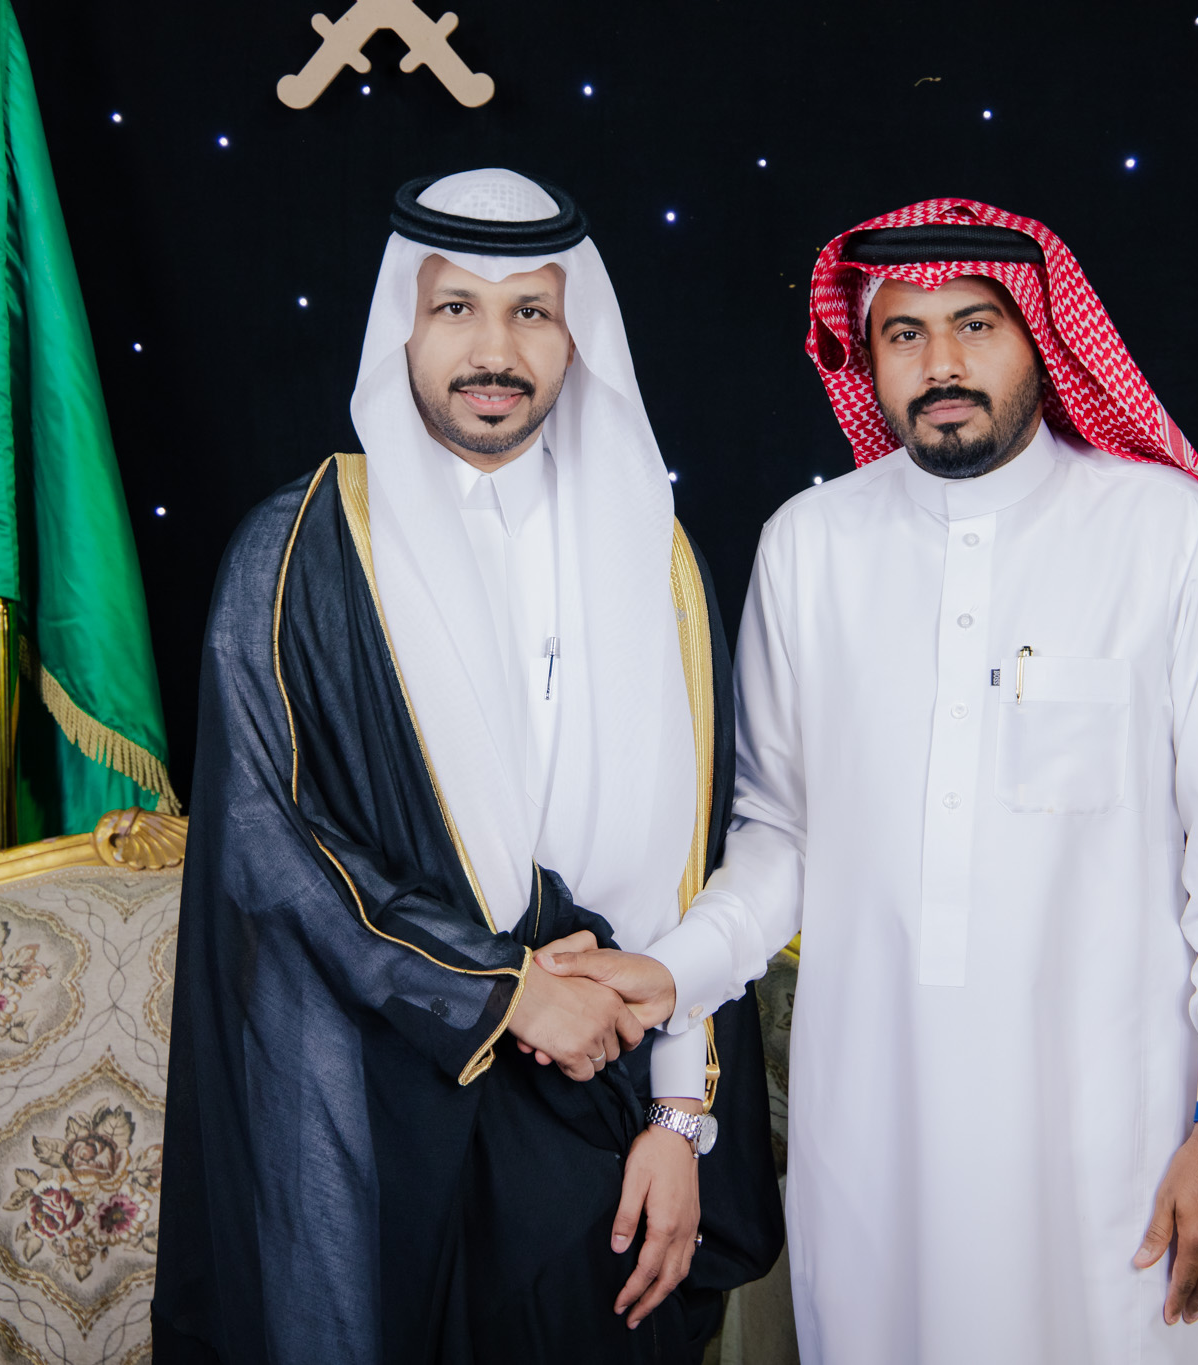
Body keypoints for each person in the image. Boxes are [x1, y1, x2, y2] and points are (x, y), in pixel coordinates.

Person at [547, 198, 1198, 1363]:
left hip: (1119, 1134)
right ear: (865, 358)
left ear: (1040, 337)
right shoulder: (810, 546)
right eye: (902, 333)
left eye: (973, 325)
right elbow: (780, 837)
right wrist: (670, 969)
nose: (939, 363)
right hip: (875, 1133)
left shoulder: (1170, 536)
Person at [153, 169, 782, 1365]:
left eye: (530, 312)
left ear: (574, 335)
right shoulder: (298, 549)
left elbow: (694, 864)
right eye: (456, 309)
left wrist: (678, 1117)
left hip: (606, 1112)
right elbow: (265, 846)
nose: (494, 351)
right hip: (377, 1107)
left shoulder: (654, 557)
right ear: (404, 322)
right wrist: (501, 993)